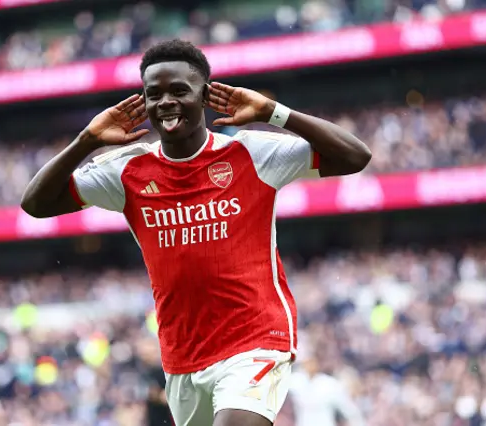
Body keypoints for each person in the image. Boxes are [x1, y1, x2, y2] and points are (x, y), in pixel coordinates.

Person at [21, 39, 371, 426]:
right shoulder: (126, 171)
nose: (165, 101)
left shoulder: (251, 154)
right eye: (153, 94)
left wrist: (273, 113)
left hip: (255, 340)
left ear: (205, 95)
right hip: (183, 356)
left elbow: (354, 156)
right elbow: (36, 204)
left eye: (179, 91)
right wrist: (86, 140)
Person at [289, 354, 366, 426]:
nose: (310, 366)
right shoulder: (297, 381)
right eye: (307, 363)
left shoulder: (330, 384)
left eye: (312, 363)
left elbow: (349, 410)